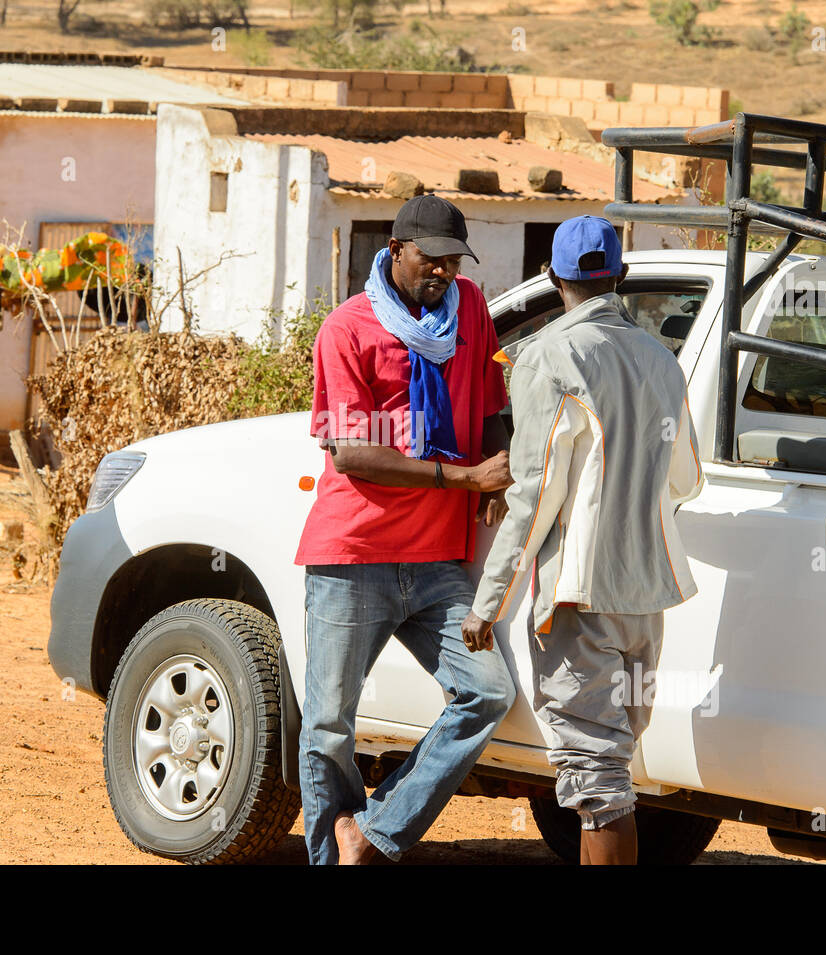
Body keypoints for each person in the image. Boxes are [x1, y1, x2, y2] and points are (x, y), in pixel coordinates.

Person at [461, 216, 704, 865]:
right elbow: (685, 477)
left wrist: (487, 603)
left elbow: (536, 494)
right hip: (646, 600)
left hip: (581, 599)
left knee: (598, 788)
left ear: (552, 277)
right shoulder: (661, 358)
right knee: (613, 770)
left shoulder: (546, 355)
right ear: (619, 276)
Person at [294, 194, 517, 865]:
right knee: (330, 725)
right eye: (432, 258)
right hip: (354, 554)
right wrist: (463, 479)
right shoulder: (347, 329)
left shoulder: (471, 308)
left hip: (435, 563)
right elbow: (353, 453)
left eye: (455, 261)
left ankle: (373, 830)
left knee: (488, 692)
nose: (445, 273)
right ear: (396, 248)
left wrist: (498, 474)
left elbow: (494, 398)